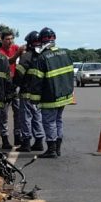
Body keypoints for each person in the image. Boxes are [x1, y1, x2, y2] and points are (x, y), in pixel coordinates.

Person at [24, 27, 74, 159]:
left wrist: (34, 99)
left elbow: (37, 81)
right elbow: (70, 75)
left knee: (49, 122)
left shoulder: (42, 57)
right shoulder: (65, 53)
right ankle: (57, 148)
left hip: (50, 97)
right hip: (64, 96)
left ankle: (51, 149)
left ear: (42, 41)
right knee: (58, 120)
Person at [15, 31, 46, 153]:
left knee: (26, 118)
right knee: (37, 117)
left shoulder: (26, 56)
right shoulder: (43, 56)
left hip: (27, 93)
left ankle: (26, 143)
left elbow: (19, 74)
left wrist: (13, 86)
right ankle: (39, 142)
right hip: (39, 95)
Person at [0, 30, 21, 150]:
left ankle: (18, 135)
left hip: (15, 84)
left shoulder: (16, 47)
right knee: (4, 114)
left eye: (11, 38)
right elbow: (8, 61)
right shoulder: (0, 51)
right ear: (2, 40)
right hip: (4, 86)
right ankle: (5, 138)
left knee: (18, 112)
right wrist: (19, 53)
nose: (10, 41)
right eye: (7, 39)